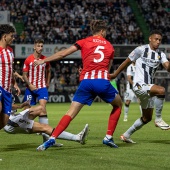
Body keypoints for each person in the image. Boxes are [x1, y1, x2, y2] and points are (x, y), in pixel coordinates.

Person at [34, 20, 122, 151]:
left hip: (86, 82)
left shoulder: (84, 41)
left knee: (70, 112)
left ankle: (52, 139)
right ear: (103, 31)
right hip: (102, 82)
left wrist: (44, 60)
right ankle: (108, 137)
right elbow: (107, 70)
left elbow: (63, 54)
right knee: (118, 105)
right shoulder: (110, 46)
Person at [110, 30, 170, 143]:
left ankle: (126, 135)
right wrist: (115, 74)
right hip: (138, 85)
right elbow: (126, 62)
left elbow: (168, 68)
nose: (158, 42)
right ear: (150, 39)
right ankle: (159, 119)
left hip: (147, 89)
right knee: (161, 90)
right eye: (156, 39)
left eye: (160, 40)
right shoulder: (141, 49)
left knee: (146, 118)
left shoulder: (160, 54)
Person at [3, 101, 89, 146]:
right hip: (11, 121)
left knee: (41, 108)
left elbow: (7, 104)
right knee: (45, 128)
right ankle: (77, 138)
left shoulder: (6, 83)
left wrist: (20, 106)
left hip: (14, 117)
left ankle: (47, 140)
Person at [22, 39, 51, 138]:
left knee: (43, 108)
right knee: (27, 110)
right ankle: (28, 125)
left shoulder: (45, 59)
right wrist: (29, 84)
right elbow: (24, 75)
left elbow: (49, 70)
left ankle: (43, 131)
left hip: (42, 87)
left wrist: (47, 82)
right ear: (34, 47)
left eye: (42, 46)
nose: (40, 48)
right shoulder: (28, 59)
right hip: (30, 88)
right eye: (38, 46)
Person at [0, 24, 20, 129]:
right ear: (4, 37)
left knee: (4, 120)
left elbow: (10, 69)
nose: (13, 38)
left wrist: (14, 83)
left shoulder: (10, 51)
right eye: (11, 36)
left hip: (7, 90)